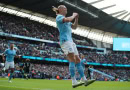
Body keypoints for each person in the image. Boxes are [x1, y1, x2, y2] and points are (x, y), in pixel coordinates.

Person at [53, 5, 95, 88]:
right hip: (65, 41)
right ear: (60, 9)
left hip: (71, 41)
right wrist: (73, 15)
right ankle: (74, 81)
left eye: (66, 8)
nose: (66, 9)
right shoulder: (59, 17)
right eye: (64, 8)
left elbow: (75, 27)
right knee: (72, 59)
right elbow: (68, 19)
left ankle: (83, 79)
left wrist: (76, 18)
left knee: (78, 60)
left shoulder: (67, 20)